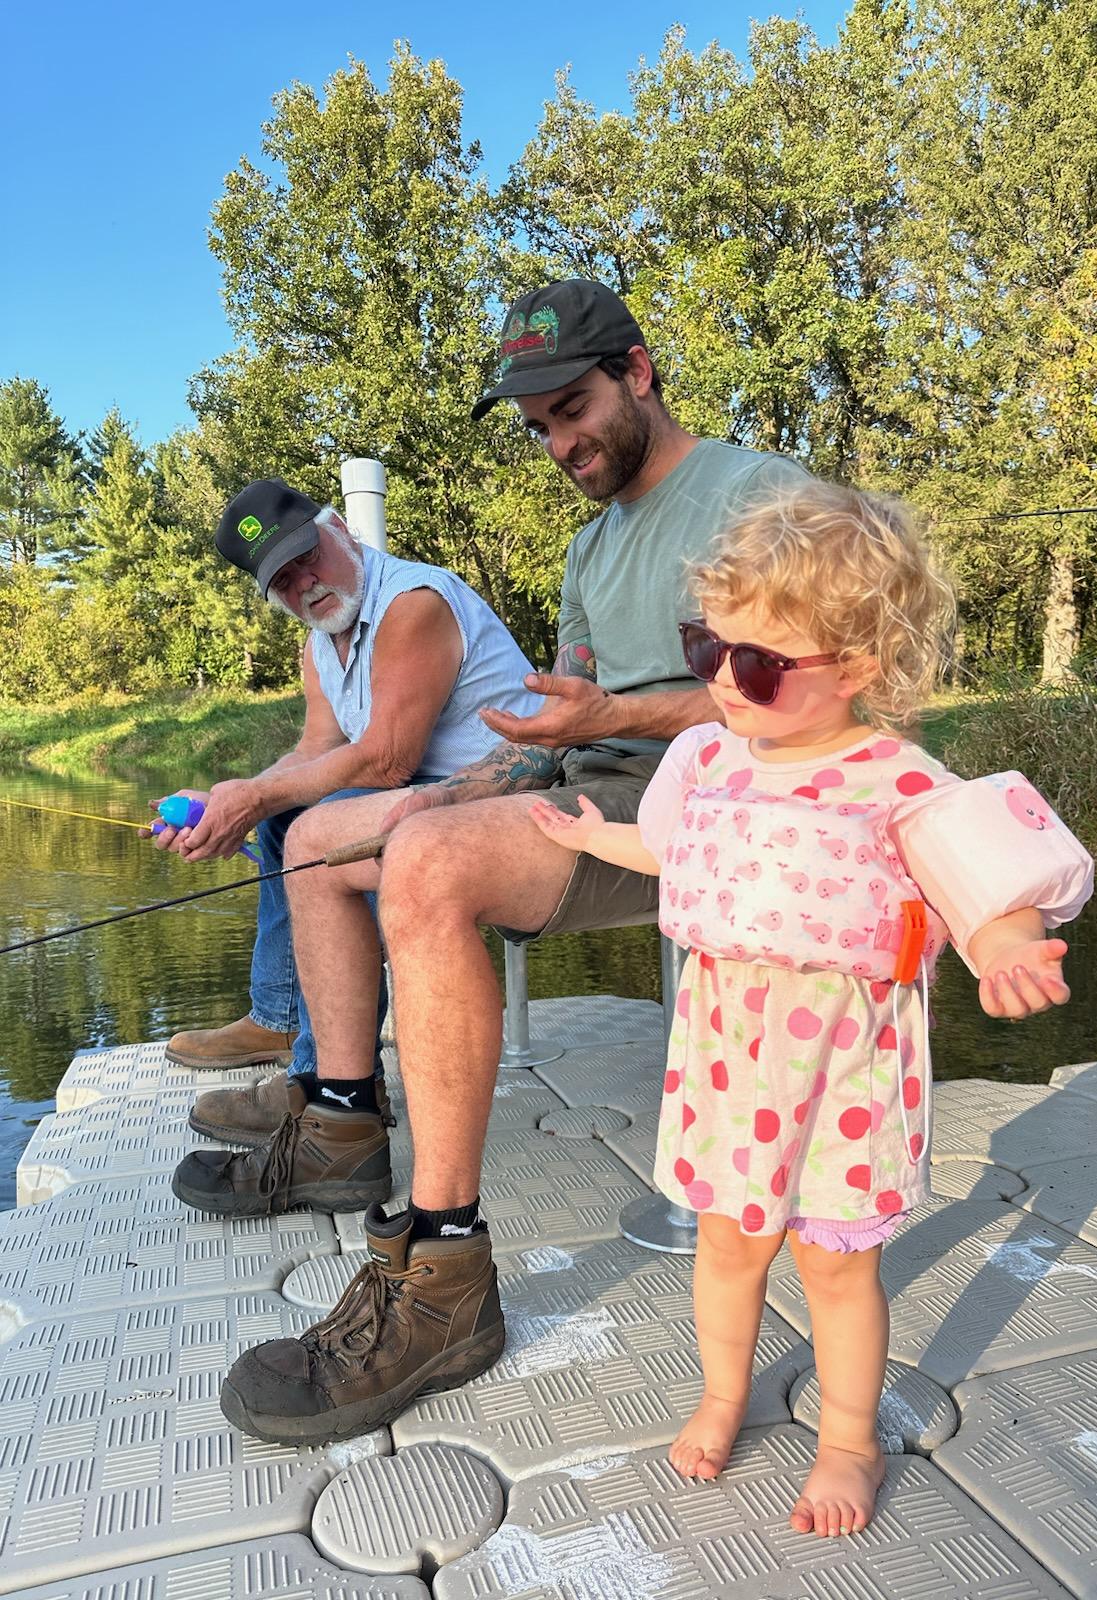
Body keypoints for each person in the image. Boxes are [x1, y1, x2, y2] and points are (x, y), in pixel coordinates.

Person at [207, 278, 811, 1444]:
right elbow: (557, 730)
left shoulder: (759, 495)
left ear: (639, 372)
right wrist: (449, 791)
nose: (560, 443)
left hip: (721, 809)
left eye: (572, 409)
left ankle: (443, 1275)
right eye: (538, 426)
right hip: (595, 794)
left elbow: (803, 697)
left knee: (429, 863)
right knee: (327, 837)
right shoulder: (589, 548)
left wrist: (601, 724)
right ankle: (340, 1127)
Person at [527, 478, 1094, 1538]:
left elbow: (987, 890)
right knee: (727, 1244)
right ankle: (722, 1394)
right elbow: (672, 853)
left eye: (756, 664)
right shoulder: (704, 760)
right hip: (726, 1057)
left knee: (835, 1265)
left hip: (846, 1068)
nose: (722, 680)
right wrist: (591, 836)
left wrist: (1010, 950)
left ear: (858, 671)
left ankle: (847, 1441)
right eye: (706, 647)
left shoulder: (901, 782)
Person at [156, 477, 541, 1152]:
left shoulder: (413, 604)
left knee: (324, 820)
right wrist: (230, 800)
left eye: (307, 556)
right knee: (284, 818)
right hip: (419, 798)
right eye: (283, 581)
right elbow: (315, 750)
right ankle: (280, 1018)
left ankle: (327, 1083)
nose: (305, 583)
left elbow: (388, 759)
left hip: (507, 794)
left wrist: (257, 798)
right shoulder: (320, 643)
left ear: (338, 528)